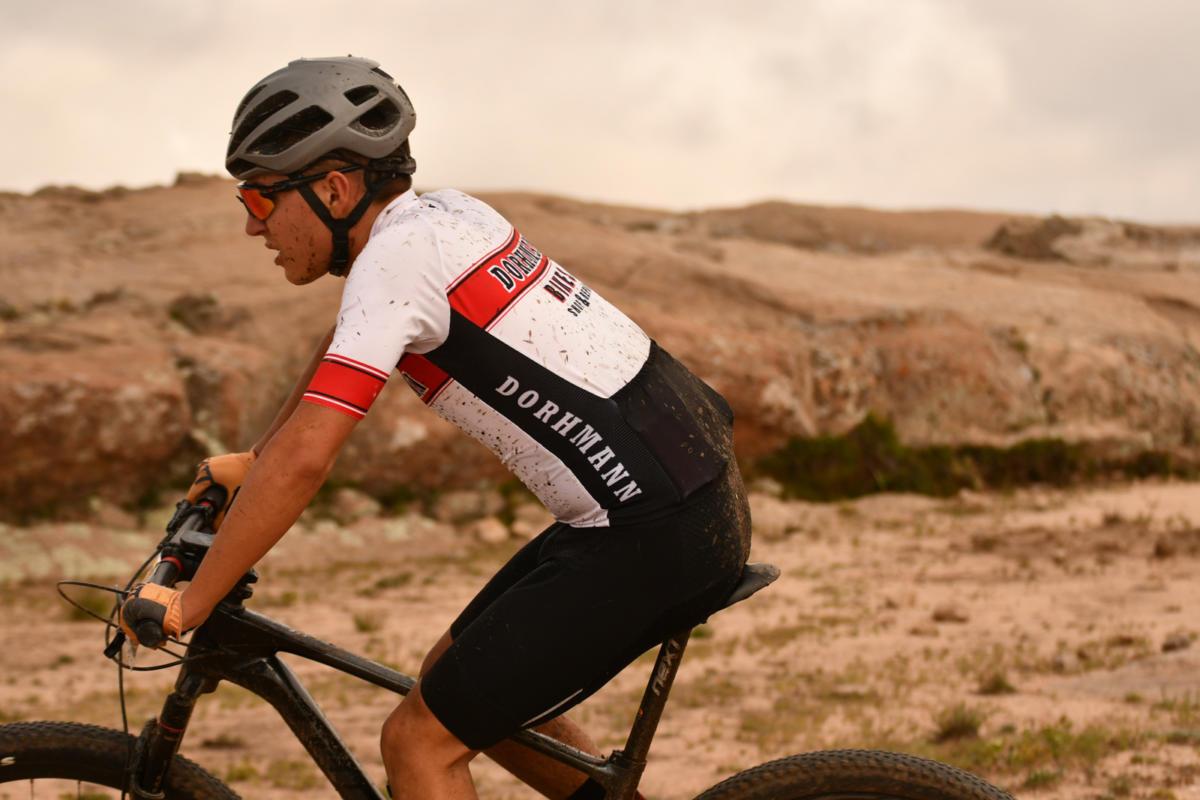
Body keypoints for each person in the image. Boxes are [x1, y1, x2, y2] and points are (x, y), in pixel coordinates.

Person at [120, 56, 751, 800]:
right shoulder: (446, 216)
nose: (251, 223)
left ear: (334, 190)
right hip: (674, 494)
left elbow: (307, 460)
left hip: (651, 527)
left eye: (261, 197)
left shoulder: (396, 264)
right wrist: (254, 459)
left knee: (418, 743)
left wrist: (192, 602)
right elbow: (343, 346)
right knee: (455, 684)